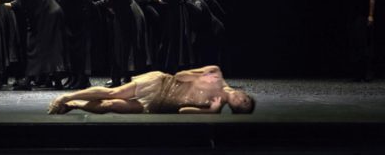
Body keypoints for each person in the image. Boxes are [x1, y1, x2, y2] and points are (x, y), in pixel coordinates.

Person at [48, 65, 254, 114]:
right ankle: (66, 97)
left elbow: (183, 111)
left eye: (242, 107)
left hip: (158, 103)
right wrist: (200, 76)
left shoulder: (215, 108)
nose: (241, 101)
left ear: (235, 108)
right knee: (114, 92)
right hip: (160, 83)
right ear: (244, 94)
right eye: (246, 100)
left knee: (110, 105)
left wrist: (209, 111)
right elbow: (180, 75)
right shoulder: (215, 73)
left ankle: (74, 105)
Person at [344, 0, 375, 82]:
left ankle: (366, 73)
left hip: (361, 16)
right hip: (352, 17)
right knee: (354, 44)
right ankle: (357, 73)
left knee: (363, 44)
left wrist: (370, 15)